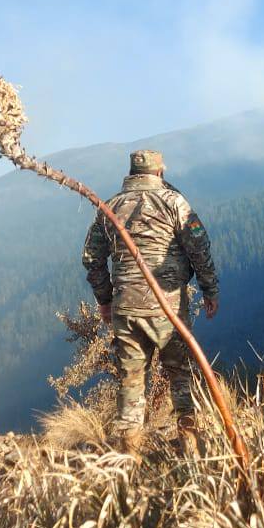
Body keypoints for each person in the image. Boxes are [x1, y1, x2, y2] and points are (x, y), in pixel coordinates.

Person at [81, 150, 219, 451]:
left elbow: (91, 258)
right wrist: (210, 290)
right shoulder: (174, 202)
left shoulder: (111, 206)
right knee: (180, 374)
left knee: (130, 380)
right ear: (159, 172)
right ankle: (190, 443)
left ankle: (129, 453)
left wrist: (105, 301)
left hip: (126, 306)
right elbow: (199, 248)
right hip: (168, 308)